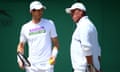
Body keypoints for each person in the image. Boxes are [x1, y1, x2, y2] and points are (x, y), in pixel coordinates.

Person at [17, 1, 59, 72]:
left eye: (41, 10)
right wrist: (19, 60)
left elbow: (56, 44)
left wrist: (53, 56)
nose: (40, 12)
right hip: (31, 67)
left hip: (47, 65)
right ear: (32, 11)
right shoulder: (25, 27)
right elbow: (21, 46)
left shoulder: (50, 23)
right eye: (37, 10)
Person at [65, 2, 101, 72]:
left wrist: (90, 67)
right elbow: (98, 49)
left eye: (73, 11)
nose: (71, 14)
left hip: (84, 69)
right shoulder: (90, 25)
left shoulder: (84, 25)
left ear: (81, 12)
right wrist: (98, 67)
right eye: (71, 13)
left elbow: (86, 47)